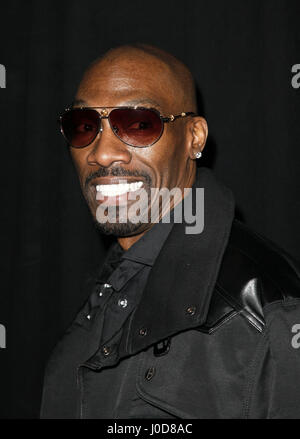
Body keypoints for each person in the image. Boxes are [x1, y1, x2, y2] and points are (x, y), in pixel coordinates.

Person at [40, 44, 300, 419]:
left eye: (139, 123)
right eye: (84, 126)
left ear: (194, 138)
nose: (103, 152)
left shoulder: (272, 310)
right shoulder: (115, 284)